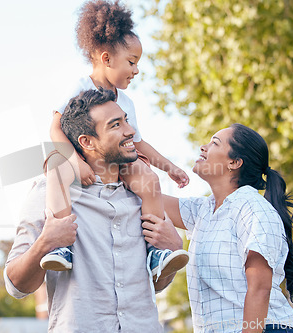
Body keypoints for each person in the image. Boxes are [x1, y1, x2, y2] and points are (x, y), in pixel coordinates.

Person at [4, 88, 184, 332]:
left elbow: (158, 283)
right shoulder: (51, 191)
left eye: (126, 121)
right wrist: (45, 243)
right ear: (87, 142)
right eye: (115, 125)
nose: (130, 131)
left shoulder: (144, 193)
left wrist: (171, 247)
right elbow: (16, 285)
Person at [40, 0, 189, 282]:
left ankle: (155, 251)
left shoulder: (127, 102)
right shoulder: (79, 88)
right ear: (106, 58)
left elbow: (140, 143)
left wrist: (169, 167)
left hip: (115, 163)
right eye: (131, 62)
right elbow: (55, 130)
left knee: (149, 180)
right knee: (56, 168)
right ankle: (61, 246)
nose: (135, 70)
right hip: (81, 157)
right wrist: (75, 162)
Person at [156, 123, 293, 332]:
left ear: (234, 162)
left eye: (214, 143)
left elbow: (260, 289)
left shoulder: (253, 209)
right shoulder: (203, 210)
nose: (203, 147)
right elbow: (145, 195)